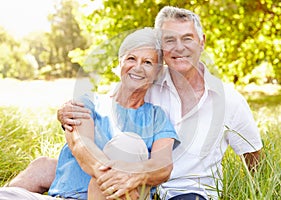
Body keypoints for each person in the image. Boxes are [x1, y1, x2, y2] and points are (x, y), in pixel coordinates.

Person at [7, 6, 263, 200]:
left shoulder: (230, 101)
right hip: (131, 187)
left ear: (202, 42)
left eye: (187, 38)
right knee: (43, 167)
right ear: (161, 49)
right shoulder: (148, 82)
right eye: (169, 40)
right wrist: (68, 110)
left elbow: (254, 159)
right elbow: (104, 107)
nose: (179, 47)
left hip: (186, 192)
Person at [2, 27, 179, 200]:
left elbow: (163, 165)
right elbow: (81, 145)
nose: (138, 67)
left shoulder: (157, 116)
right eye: (131, 58)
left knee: (128, 144)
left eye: (148, 62)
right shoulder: (89, 102)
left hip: (118, 196)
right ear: (120, 63)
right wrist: (112, 174)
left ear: (157, 72)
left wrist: (134, 176)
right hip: (63, 196)